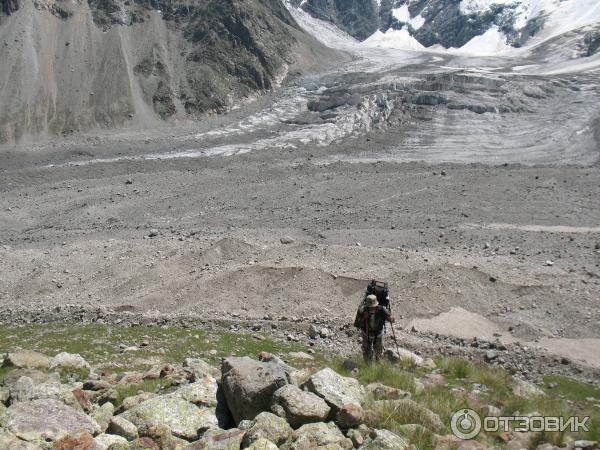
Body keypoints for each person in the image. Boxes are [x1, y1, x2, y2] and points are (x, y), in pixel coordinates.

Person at [354, 294, 395, 362]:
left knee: (378, 351)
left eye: (373, 307)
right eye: (370, 307)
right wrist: (364, 318)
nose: (372, 308)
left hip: (378, 334)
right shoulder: (363, 310)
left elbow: (392, 319)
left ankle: (377, 364)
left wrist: (390, 318)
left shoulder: (382, 309)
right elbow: (358, 324)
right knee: (367, 352)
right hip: (366, 334)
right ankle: (367, 365)